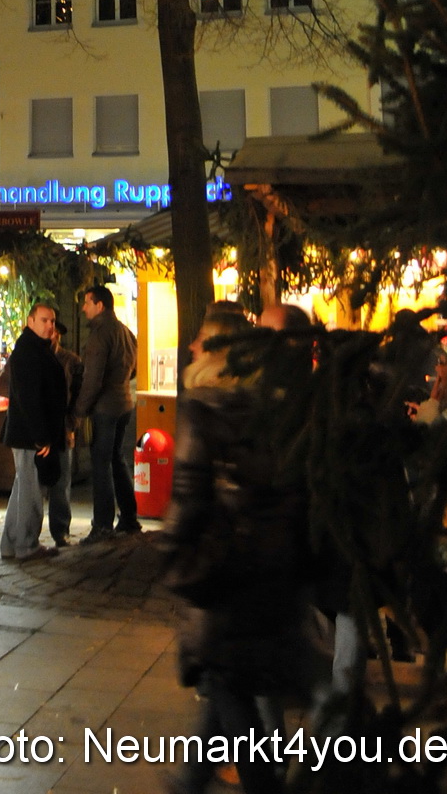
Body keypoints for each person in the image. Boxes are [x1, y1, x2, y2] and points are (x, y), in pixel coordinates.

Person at [162, 304, 311, 794]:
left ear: (216, 348)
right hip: (267, 565)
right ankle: (191, 781)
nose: (191, 347)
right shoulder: (271, 404)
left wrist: (173, 552)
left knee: (227, 685)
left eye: (200, 339)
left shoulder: (204, 406)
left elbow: (188, 492)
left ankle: (251, 786)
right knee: (226, 684)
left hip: (221, 570)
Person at [0, 301, 66, 563]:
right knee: (30, 489)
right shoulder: (29, 351)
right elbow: (29, 398)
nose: (49, 325)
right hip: (30, 435)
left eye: (52, 321)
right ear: (30, 321)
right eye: (44, 320)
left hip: (29, 432)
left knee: (23, 487)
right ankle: (26, 544)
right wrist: (41, 436)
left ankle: (11, 543)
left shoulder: (35, 348)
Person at [74, 284, 139, 547]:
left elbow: (93, 379)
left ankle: (102, 525)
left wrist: (80, 409)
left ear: (100, 305)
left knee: (101, 465)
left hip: (105, 407)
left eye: (87, 303)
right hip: (124, 403)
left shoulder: (100, 335)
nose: (84, 308)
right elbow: (133, 369)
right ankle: (129, 517)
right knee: (117, 459)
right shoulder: (125, 331)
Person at [49, 320, 83, 549]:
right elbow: (4, 383)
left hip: (61, 426)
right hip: (38, 426)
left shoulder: (71, 361)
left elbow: (79, 399)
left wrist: (72, 425)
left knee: (61, 482)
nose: (49, 334)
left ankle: (60, 531)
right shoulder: (31, 355)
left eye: (53, 330)